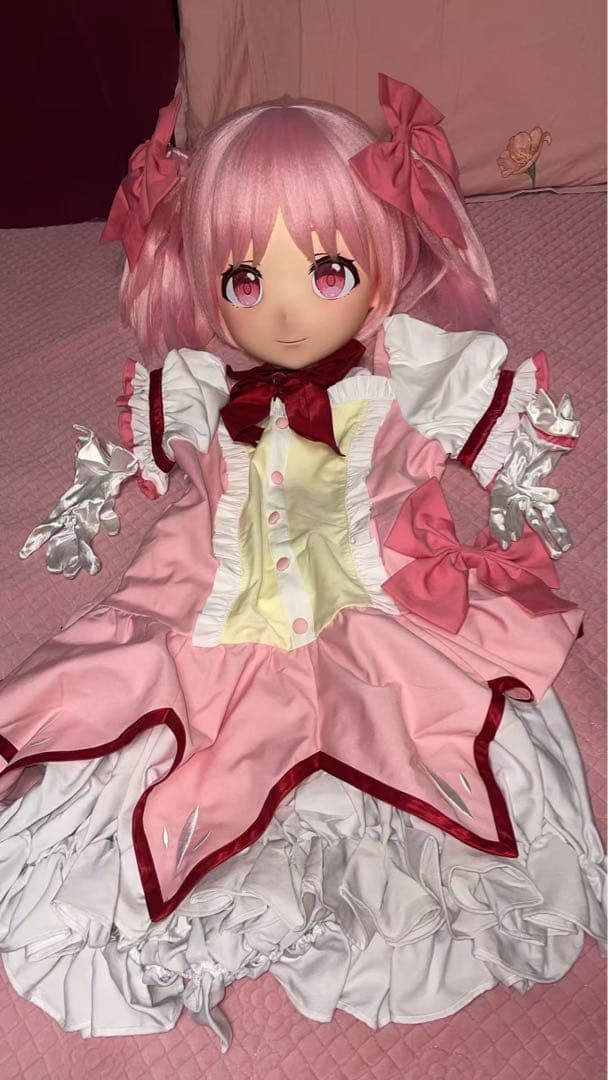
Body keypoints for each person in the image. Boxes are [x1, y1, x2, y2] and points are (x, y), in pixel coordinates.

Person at [1, 76, 604, 1048]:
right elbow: (129, 463)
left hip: (381, 636)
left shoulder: (415, 370)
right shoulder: (194, 390)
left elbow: (509, 450)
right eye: (245, 282)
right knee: (137, 797)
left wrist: (512, 503)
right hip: (200, 636)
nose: (284, 312)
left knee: (425, 781)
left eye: (326, 270)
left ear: (380, 261)